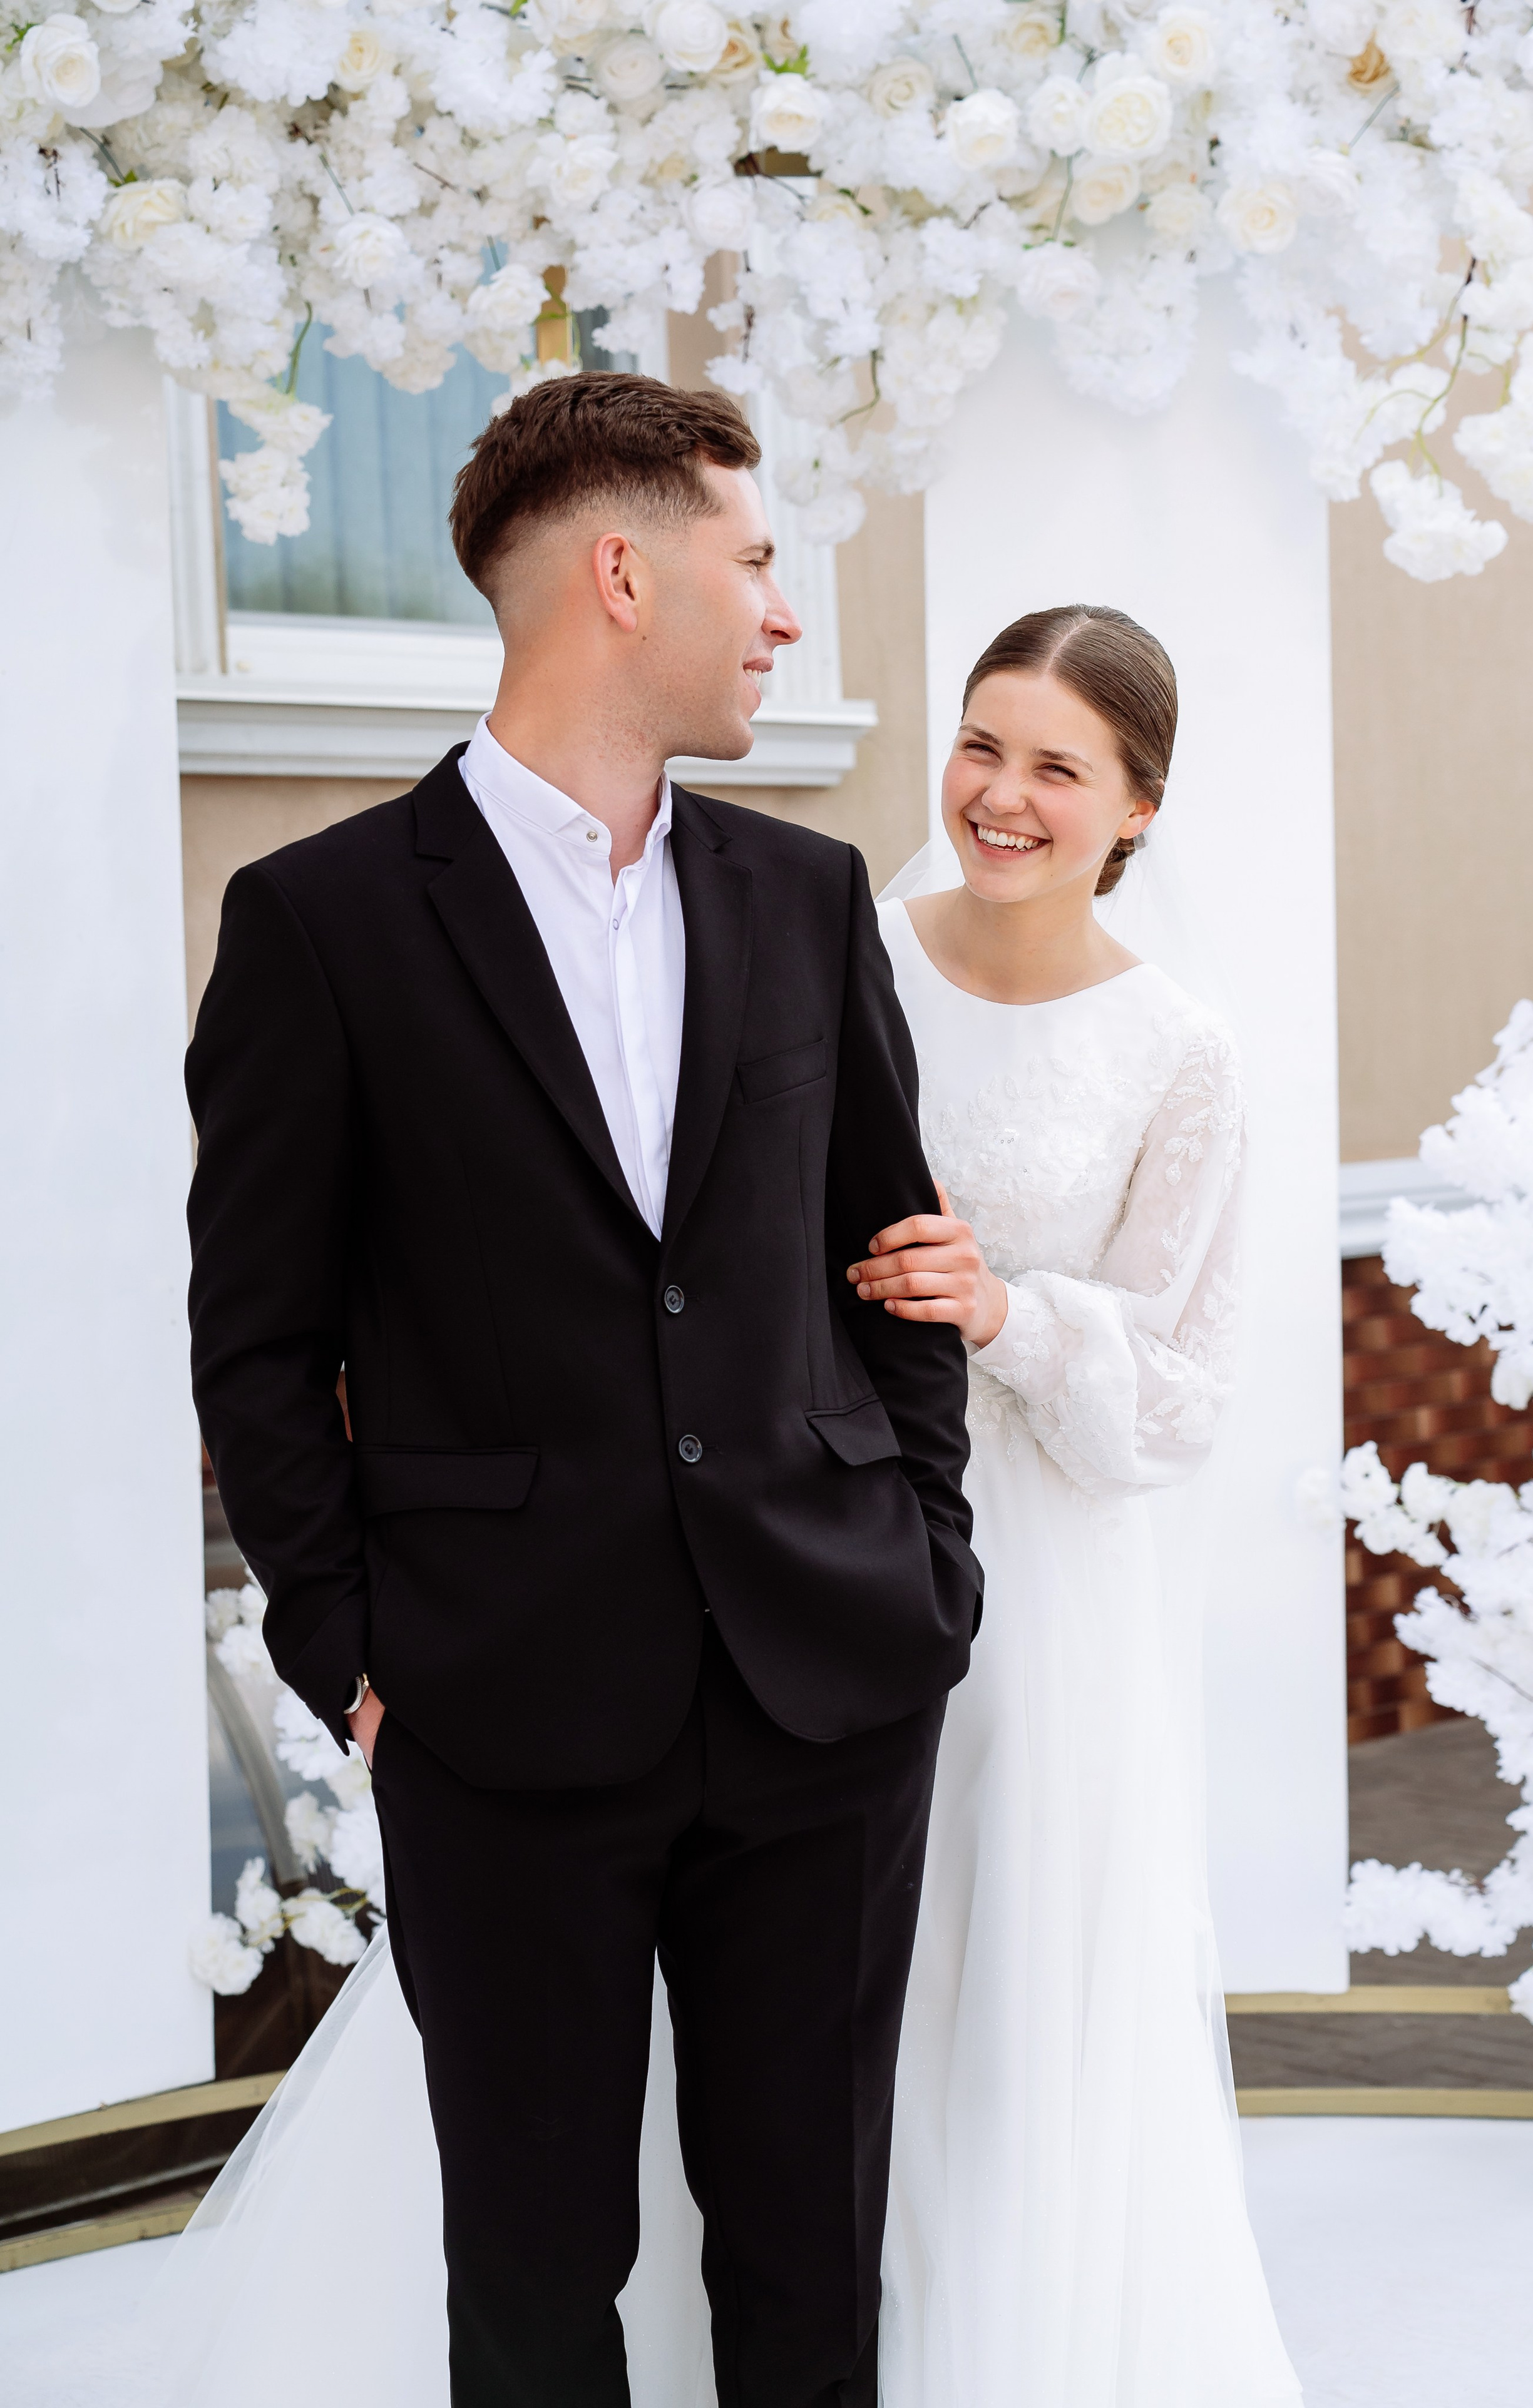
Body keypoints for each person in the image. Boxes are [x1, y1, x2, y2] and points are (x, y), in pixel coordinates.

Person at [183, 372, 980, 2408]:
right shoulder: (325, 925)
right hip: (500, 1709)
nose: (785, 616)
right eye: (760, 561)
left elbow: (894, 1262)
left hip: (824, 1684)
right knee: (537, 2282)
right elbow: (258, 1339)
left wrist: (924, 1556)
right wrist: (354, 1644)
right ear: (624, 573)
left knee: (814, 2259)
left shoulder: (806, 905)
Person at [860, 605, 1302, 2405]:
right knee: (827, 1974)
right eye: (982, 745)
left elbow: (1182, 1392)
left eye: (1059, 767)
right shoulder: (851, 958)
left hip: (1037, 1578)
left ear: (1137, 808)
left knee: (1001, 1971)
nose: (1002, 795)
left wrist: (1012, 1311)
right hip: (815, 1520)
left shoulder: (1177, 1050)